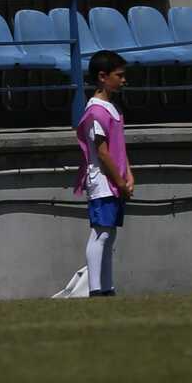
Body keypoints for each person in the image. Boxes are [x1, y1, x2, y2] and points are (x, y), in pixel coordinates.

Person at [58, 51, 133, 298]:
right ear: (103, 77)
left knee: (109, 234)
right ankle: (96, 289)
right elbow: (102, 153)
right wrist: (120, 182)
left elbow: (119, 147)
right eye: (119, 75)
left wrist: (128, 175)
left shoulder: (112, 108)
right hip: (102, 182)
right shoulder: (95, 112)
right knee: (101, 232)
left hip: (115, 181)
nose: (123, 80)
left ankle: (107, 287)